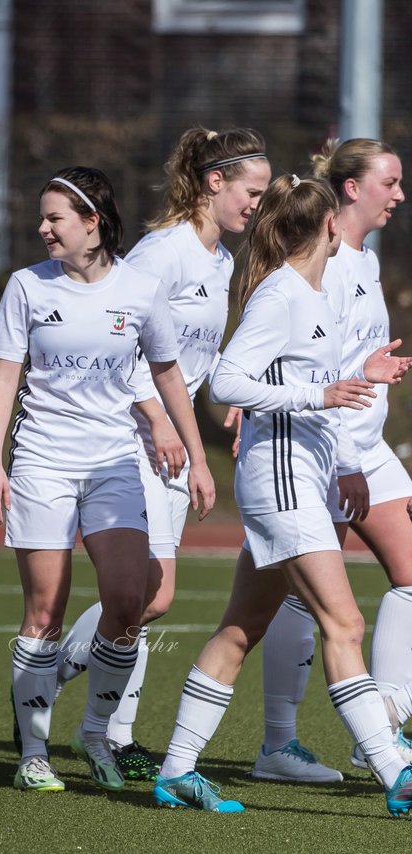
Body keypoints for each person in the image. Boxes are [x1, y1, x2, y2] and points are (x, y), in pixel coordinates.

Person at [152, 173, 412, 815]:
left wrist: (357, 380)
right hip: (284, 482)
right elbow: (227, 384)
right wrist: (317, 394)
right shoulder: (281, 295)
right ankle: (394, 774)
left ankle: (177, 770)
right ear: (328, 225)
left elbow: (319, 385)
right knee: (344, 622)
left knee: (242, 628)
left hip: (307, 476)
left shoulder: (313, 295)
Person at [0, 166, 216, 795]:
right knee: (45, 613)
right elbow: (5, 377)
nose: (43, 228)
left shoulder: (139, 289)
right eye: (42, 216)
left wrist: (198, 456)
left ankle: (96, 733)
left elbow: (166, 376)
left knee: (129, 602)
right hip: (42, 463)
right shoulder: (27, 286)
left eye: (56, 217)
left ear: (93, 222)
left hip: (114, 463)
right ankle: (33, 751)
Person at [50, 129, 270, 781]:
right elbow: (121, 339)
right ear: (213, 182)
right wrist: (156, 418)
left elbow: (188, 359)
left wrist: (226, 399)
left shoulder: (221, 260)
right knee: (144, 593)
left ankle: (55, 681)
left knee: (152, 598)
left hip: (171, 441)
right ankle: (109, 734)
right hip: (129, 437)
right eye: (249, 191)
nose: (255, 204)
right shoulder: (162, 254)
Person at [253, 138, 412, 780]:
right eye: (390, 182)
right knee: (294, 600)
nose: (399, 195)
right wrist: (344, 455)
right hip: (326, 450)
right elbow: (312, 366)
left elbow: (353, 361)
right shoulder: (328, 266)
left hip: (365, 445)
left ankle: (386, 720)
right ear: (352, 189)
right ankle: (280, 744)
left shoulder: (364, 261)